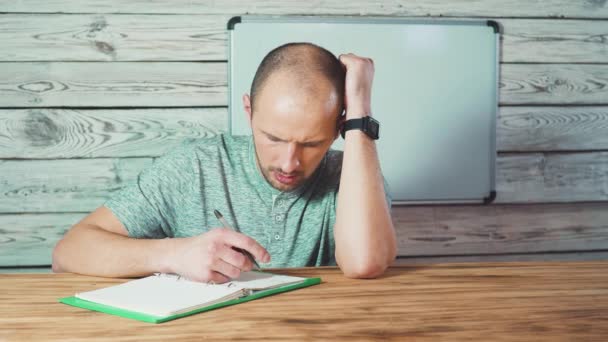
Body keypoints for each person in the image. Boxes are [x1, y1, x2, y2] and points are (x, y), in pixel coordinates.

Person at [52, 42, 396, 283]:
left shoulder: (353, 176)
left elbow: (365, 263)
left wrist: (360, 114)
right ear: (248, 111)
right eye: (273, 138)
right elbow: (69, 252)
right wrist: (173, 255)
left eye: (311, 143)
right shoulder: (194, 166)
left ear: (339, 129)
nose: (289, 163)